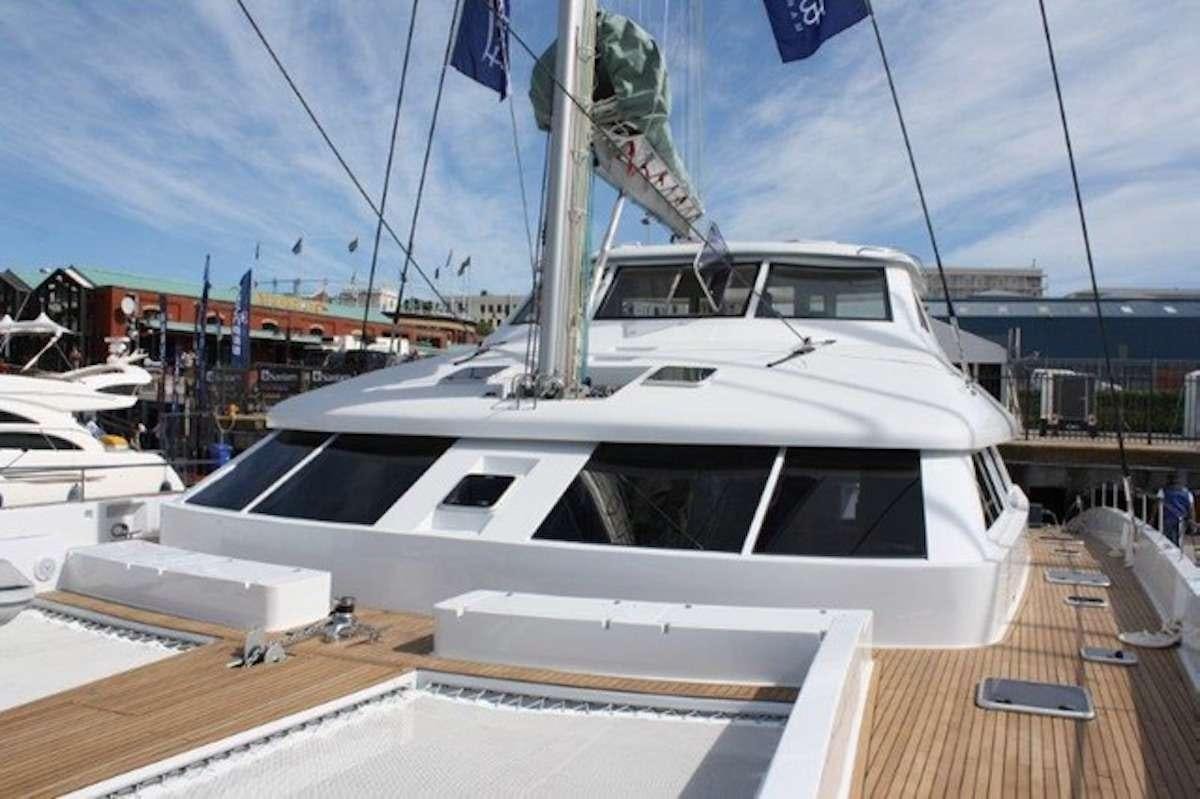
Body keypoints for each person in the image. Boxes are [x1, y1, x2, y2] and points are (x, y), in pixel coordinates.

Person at [1161, 470, 1195, 547]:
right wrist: (1192, 520)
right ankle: (1178, 550)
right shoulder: (1187, 492)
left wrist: (1152, 519)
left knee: (1169, 538)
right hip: (1182, 518)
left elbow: (1156, 506)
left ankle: (1172, 551)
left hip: (1168, 518)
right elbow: (1191, 508)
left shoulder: (1163, 491)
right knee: (1179, 537)